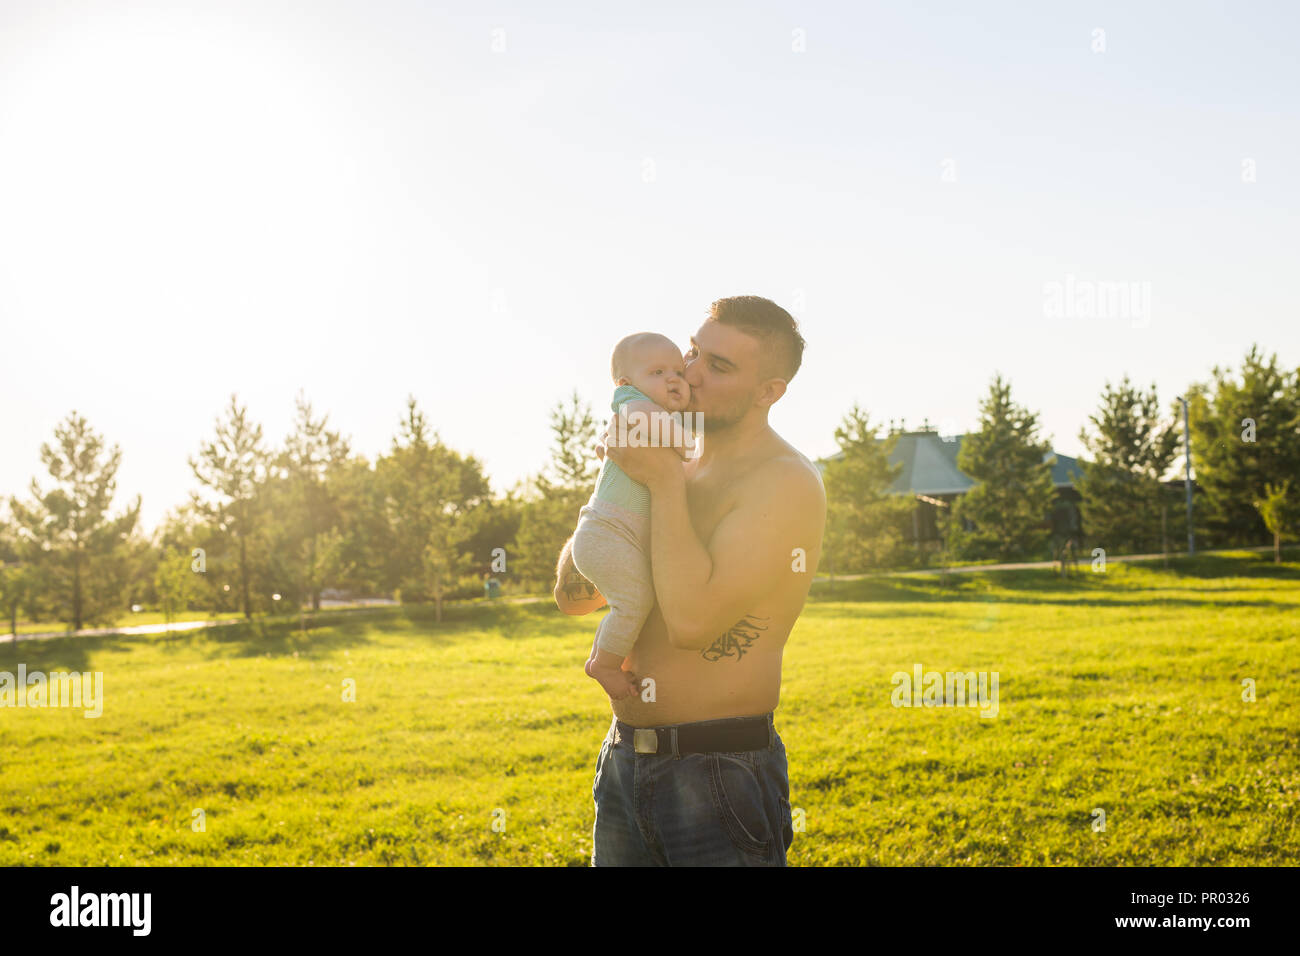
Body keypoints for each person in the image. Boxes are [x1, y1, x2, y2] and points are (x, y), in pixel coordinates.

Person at [553, 295, 826, 866]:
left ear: (769, 391)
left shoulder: (783, 482)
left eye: (719, 366)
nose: (691, 375)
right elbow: (574, 598)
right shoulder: (665, 456)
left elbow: (691, 622)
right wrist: (608, 498)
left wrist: (661, 484)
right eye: (694, 353)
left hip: (716, 774)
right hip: (625, 760)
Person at [569, 332, 697, 700]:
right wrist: (689, 439)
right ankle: (604, 665)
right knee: (635, 600)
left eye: (677, 370)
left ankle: (600, 656)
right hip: (607, 531)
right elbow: (674, 436)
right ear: (626, 383)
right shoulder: (632, 403)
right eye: (657, 371)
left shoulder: (661, 414)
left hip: (617, 534)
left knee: (633, 599)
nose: (673, 379)